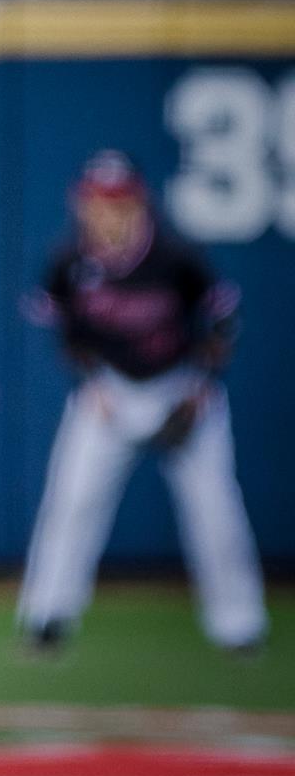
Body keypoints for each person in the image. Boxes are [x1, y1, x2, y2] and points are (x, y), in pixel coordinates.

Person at [17, 149, 267, 656]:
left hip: (183, 391)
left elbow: (222, 322)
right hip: (110, 391)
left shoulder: (176, 255)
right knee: (72, 501)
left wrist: (200, 386)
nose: (108, 212)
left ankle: (239, 627)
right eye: (99, 202)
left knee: (216, 512)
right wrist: (93, 383)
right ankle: (48, 618)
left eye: (119, 202)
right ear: (81, 205)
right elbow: (64, 331)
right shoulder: (69, 261)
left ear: (140, 204)